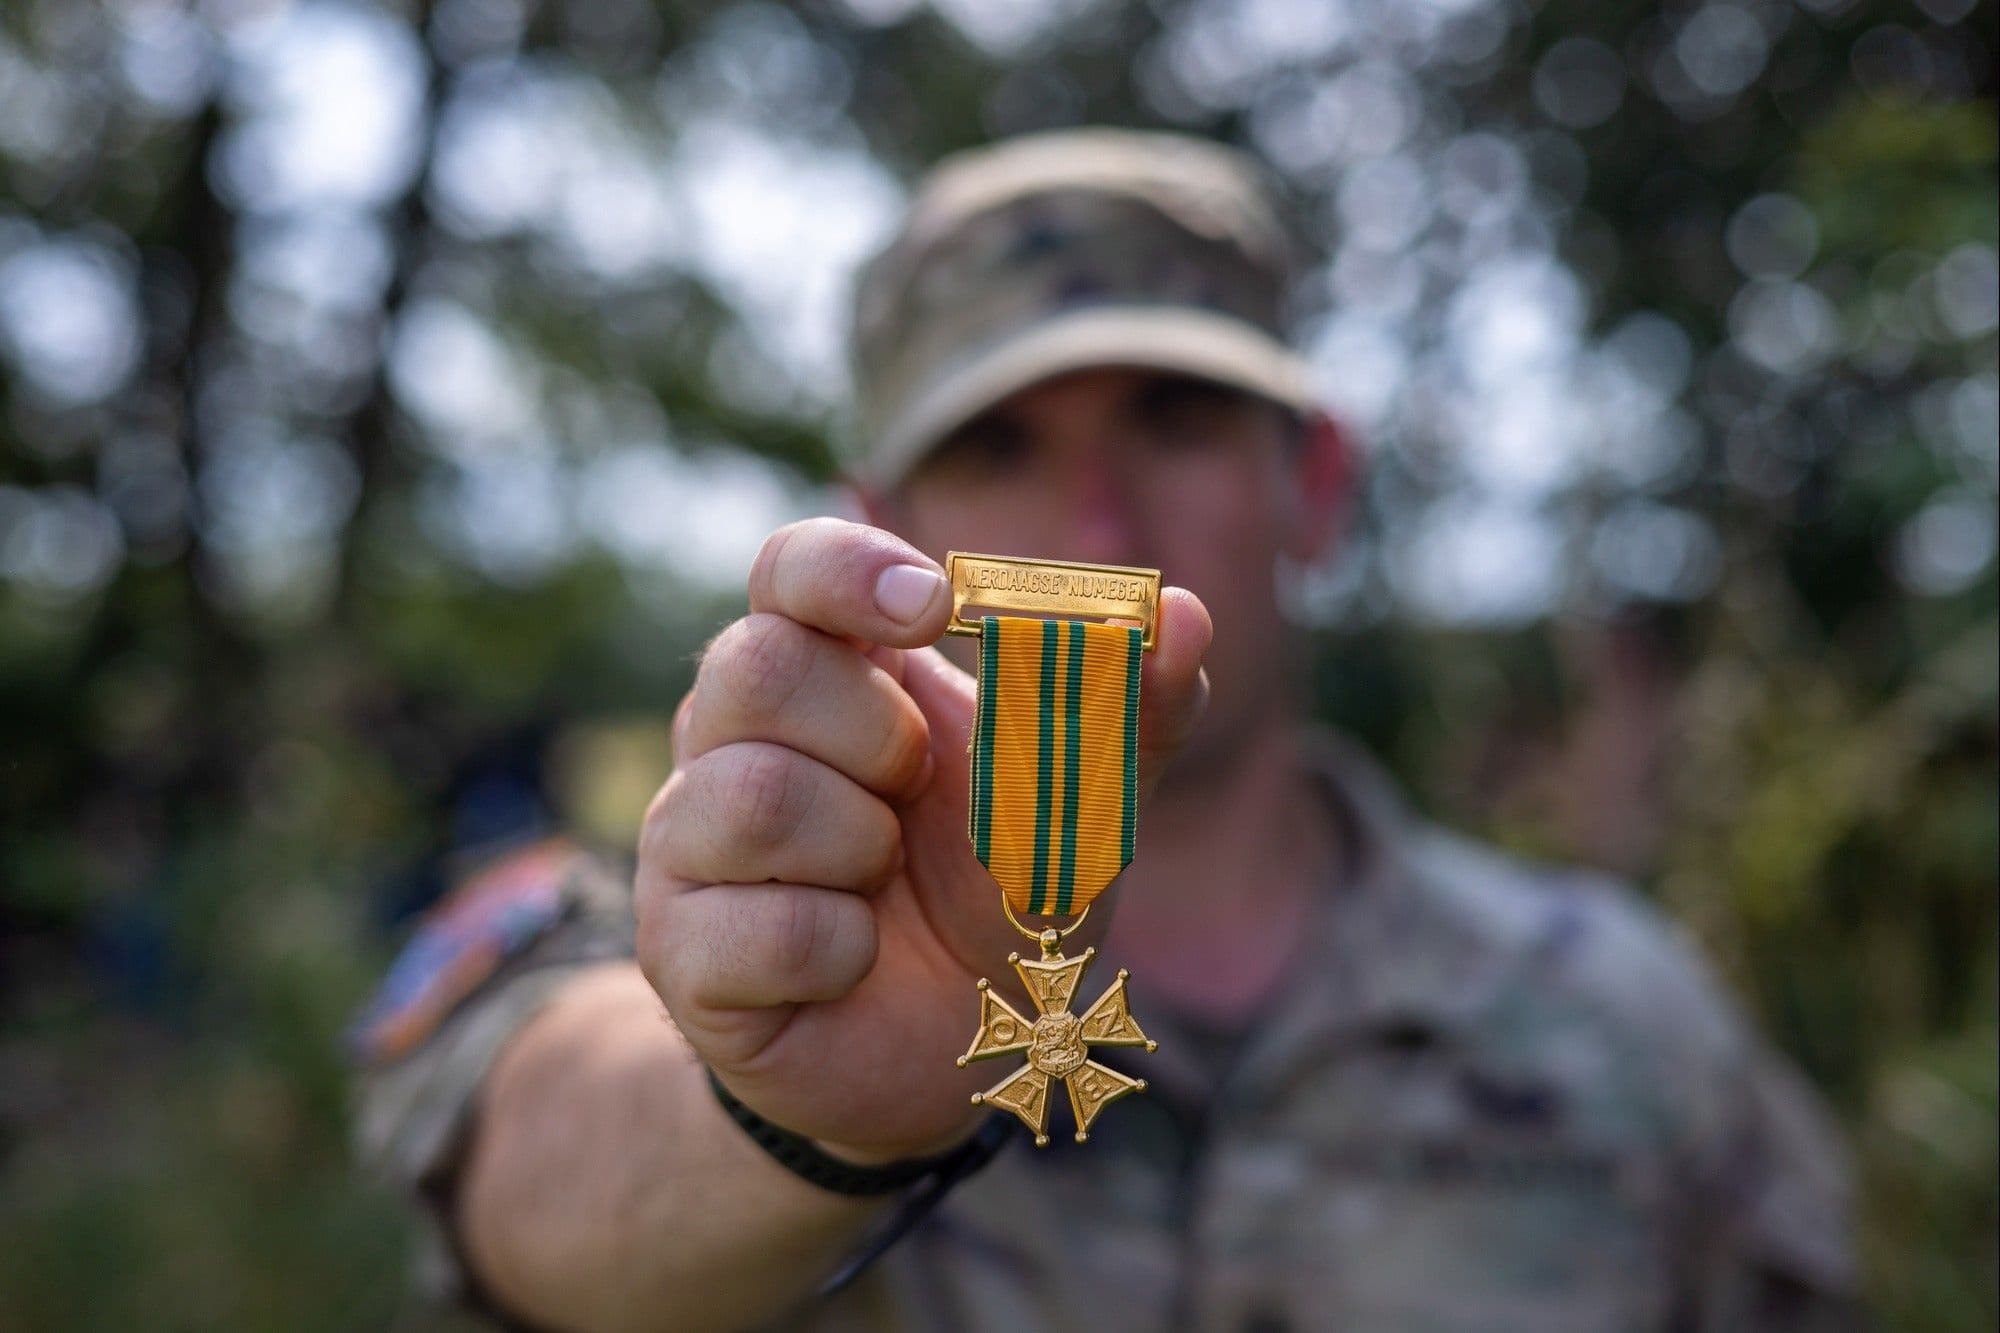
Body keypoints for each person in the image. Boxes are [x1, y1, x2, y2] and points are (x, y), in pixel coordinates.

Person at [351, 128, 1857, 1332]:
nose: (1098, 522)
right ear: (888, 529)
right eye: (998, 443)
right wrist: (794, 1117)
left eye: (1175, 416)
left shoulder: (1629, 1019)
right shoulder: (738, 921)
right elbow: (543, 1170)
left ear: (1313, 484)